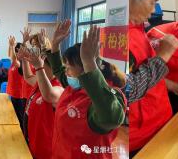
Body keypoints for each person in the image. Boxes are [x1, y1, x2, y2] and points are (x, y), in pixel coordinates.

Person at [44, 21, 126, 159]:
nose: (66, 71)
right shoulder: (74, 85)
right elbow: (58, 70)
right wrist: (55, 44)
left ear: (84, 69)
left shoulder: (110, 94)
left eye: (69, 67)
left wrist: (89, 61)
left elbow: (111, 118)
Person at [127, 0, 178, 156]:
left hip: (158, 122)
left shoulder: (137, 26)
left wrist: (154, 49)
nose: (153, 10)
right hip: (140, 136)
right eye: (152, 2)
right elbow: (127, 91)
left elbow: (139, 64)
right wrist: (163, 55)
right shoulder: (115, 36)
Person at [16, 30, 62, 158]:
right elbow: (27, 76)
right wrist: (25, 58)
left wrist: (39, 66)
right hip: (32, 143)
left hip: (46, 150)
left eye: (42, 65)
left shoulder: (58, 87)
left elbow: (48, 95)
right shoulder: (40, 81)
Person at [6, 36, 27, 132]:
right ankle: (17, 132)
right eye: (16, 51)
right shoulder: (13, 62)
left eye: (17, 51)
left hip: (19, 96)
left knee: (20, 118)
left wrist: (12, 46)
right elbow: (10, 55)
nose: (15, 52)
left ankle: (22, 135)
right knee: (14, 116)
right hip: (13, 94)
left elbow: (14, 59)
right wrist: (10, 46)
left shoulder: (21, 64)